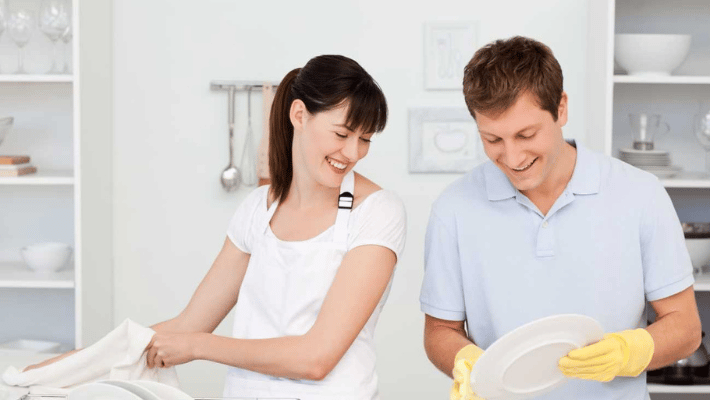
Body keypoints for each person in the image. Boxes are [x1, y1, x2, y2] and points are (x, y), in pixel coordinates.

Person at [26, 55, 406, 400]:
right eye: (342, 134)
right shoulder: (258, 209)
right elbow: (187, 324)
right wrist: (69, 366)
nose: (353, 153)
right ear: (299, 115)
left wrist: (198, 346)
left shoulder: (377, 212)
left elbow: (316, 358)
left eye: (366, 139)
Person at [419, 36, 701, 400]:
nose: (512, 156)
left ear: (561, 108)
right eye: (492, 139)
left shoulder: (641, 195)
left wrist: (629, 352)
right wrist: (468, 361)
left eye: (526, 134)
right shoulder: (453, 209)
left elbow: (686, 328)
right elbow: (440, 330)